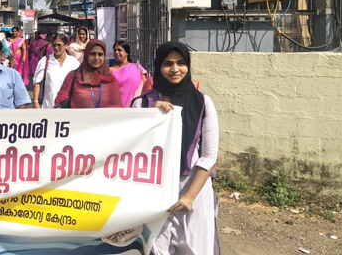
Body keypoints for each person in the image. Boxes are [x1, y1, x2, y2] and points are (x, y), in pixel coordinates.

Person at [131, 42, 219, 255]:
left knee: (195, 247)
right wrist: (151, 115)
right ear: (158, 67)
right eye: (167, 63)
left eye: (181, 63)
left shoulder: (203, 103)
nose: (175, 69)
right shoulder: (142, 104)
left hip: (194, 191)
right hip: (153, 193)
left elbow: (208, 156)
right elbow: (131, 149)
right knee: (155, 249)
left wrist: (189, 197)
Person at [54, 39, 122, 108]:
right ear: (86, 55)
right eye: (93, 54)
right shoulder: (74, 76)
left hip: (104, 118)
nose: (96, 58)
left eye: (100, 54)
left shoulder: (110, 79)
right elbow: (60, 101)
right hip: (77, 118)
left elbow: (117, 107)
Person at [33, 34, 80, 109]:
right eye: (54, 45)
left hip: (69, 105)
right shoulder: (45, 61)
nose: (56, 48)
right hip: (49, 104)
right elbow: (37, 82)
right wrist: (35, 102)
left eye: (59, 45)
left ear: (66, 45)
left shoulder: (73, 62)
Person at [110, 41, 148, 107]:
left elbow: (146, 86)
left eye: (119, 50)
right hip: (116, 108)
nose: (116, 52)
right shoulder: (110, 70)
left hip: (136, 106)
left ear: (127, 52)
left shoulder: (138, 67)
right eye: (115, 50)